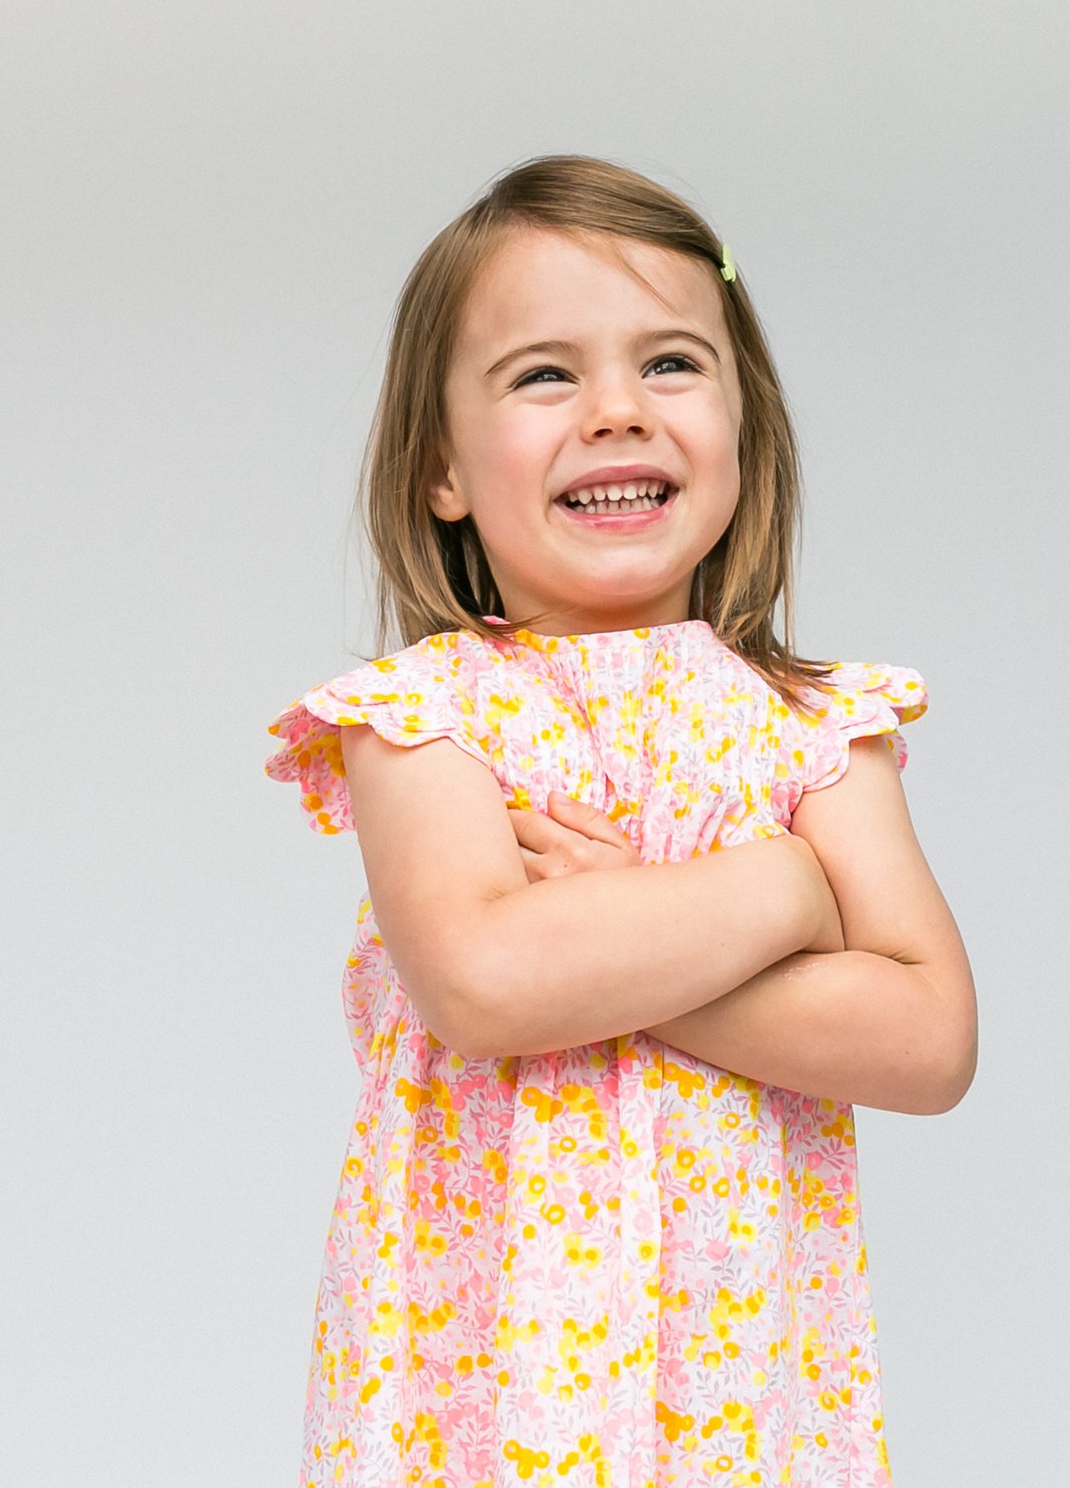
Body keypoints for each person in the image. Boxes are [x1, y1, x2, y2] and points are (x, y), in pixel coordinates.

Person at [266, 155, 976, 1485]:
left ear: (745, 425)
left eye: (669, 365)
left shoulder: (813, 726)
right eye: (545, 375)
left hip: (738, 1397)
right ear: (441, 470)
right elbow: (488, 983)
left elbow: (928, 1038)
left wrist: (624, 937)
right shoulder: (424, 719)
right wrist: (778, 896)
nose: (616, 414)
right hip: (471, 1402)